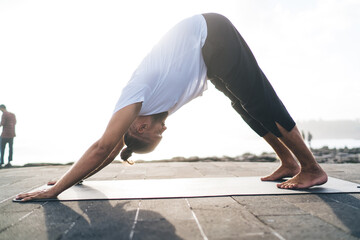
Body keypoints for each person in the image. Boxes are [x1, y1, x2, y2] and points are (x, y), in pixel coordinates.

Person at [16, 13, 327, 202]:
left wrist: (52, 192)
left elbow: (102, 145)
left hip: (211, 35)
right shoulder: (141, 119)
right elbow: (114, 150)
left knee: (259, 99)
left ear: (140, 126)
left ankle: (311, 168)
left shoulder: (135, 96)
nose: (165, 129)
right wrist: (73, 179)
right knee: (245, 106)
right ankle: (288, 162)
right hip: (209, 54)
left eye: (158, 134)